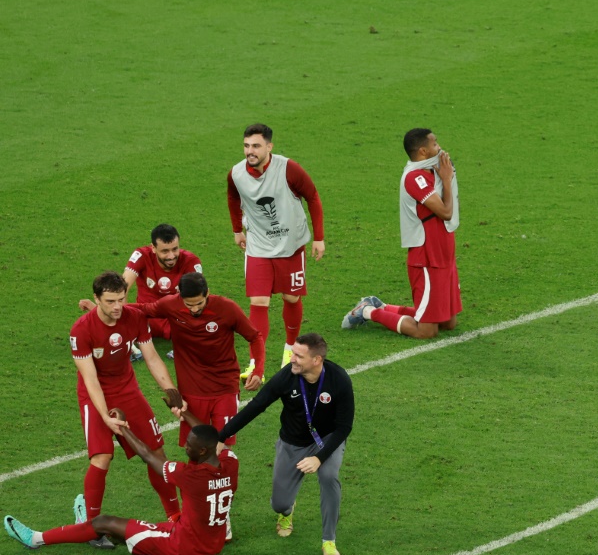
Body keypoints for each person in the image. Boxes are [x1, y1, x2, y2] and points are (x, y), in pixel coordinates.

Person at [5, 408, 238, 555]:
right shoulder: (230, 463)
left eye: (189, 446)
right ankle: (83, 527)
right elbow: (214, 440)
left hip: (184, 545)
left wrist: (123, 428)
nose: (185, 448)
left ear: (203, 451)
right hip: (211, 541)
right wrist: (185, 413)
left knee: (103, 522)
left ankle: (35, 538)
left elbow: (148, 455)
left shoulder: (191, 476)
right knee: (116, 527)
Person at [80, 272, 265, 448]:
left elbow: (255, 337)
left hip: (225, 387)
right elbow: (143, 309)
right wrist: (102, 309)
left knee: (222, 447)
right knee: (195, 448)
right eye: (188, 304)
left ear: (207, 293)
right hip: (191, 390)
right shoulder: (171, 305)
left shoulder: (227, 308)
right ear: (179, 295)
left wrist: (258, 371)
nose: (194, 309)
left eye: (199, 303)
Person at [69, 272, 184, 548]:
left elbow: (152, 356)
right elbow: (90, 379)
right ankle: (93, 528)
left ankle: (176, 516)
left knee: (157, 453)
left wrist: (172, 393)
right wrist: (106, 416)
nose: (118, 306)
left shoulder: (134, 317)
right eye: (110, 301)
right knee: (102, 457)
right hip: (94, 395)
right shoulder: (81, 330)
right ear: (96, 299)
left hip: (128, 390)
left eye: (121, 299)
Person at [218, 333, 354, 555]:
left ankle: (328, 541)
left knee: (329, 477)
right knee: (279, 503)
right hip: (292, 442)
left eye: (299, 356)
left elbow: (343, 427)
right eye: (293, 353)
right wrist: (221, 436)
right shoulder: (286, 378)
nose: (292, 359)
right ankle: (287, 513)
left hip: (327, 440)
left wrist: (319, 458)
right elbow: (256, 407)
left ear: (316, 360)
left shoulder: (339, 379)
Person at [343, 128, 461, 338]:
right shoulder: (414, 178)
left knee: (448, 323)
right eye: (435, 144)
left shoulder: (432, 170)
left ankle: (383, 306)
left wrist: (444, 176)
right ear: (423, 151)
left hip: (444, 252)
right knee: (426, 331)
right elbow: (445, 212)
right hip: (426, 257)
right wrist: (447, 180)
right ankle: (368, 311)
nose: (440, 147)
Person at [227, 123, 325, 375]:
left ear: (269, 147)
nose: (251, 151)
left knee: (291, 297)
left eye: (256, 146)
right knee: (258, 301)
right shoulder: (236, 173)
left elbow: (312, 196)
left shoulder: (288, 169)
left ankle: (291, 347)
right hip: (258, 245)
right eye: (247, 145)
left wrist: (318, 238)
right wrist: (237, 229)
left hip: (290, 245)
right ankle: (255, 363)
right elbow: (233, 197)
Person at [123, 223, 203, 360]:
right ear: (153, 248)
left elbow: (200, 298)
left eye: (175, 249)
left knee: (203, 321)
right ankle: (127, 345)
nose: (171, 256)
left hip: (174, 319)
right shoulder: (141, 255)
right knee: (112, 308)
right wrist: (123, 320)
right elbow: (121, 288)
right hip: (145, 317)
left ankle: (186, 344)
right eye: (165, 251)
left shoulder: (191, 261)